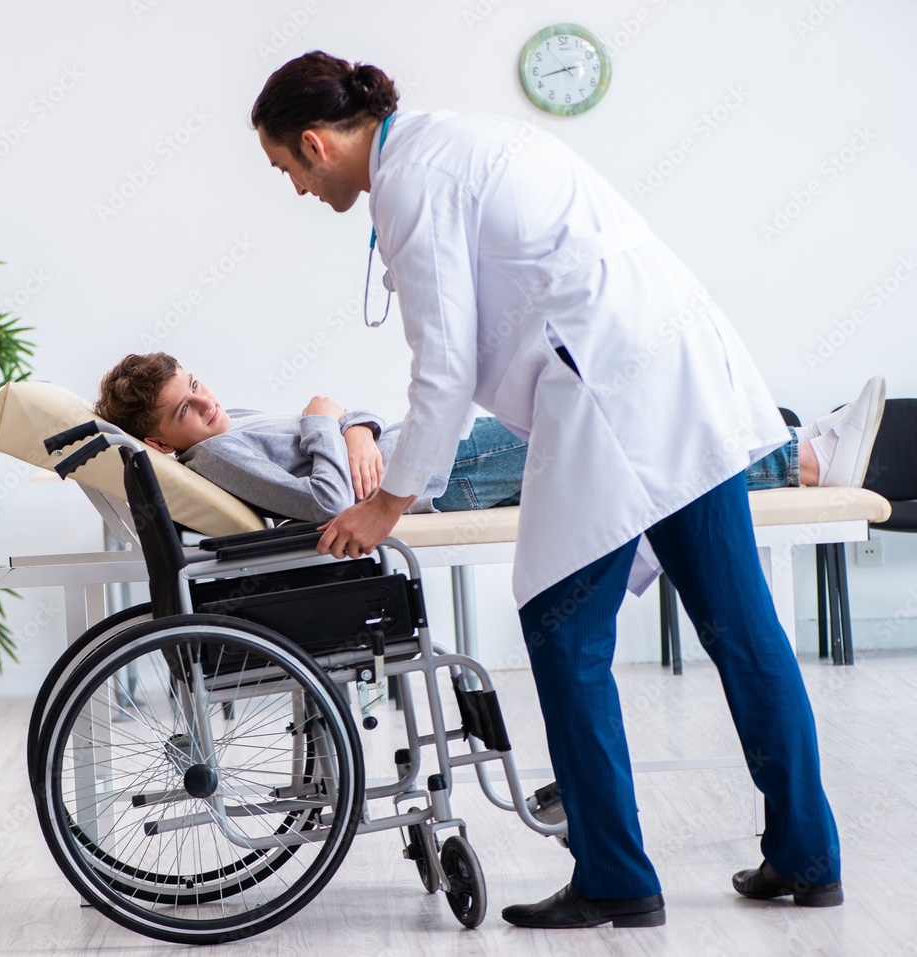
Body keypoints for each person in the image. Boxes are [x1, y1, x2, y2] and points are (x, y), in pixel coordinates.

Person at [248, 51, 866, 929]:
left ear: (314, 143)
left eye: (287, 172)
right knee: (742, 626)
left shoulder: (412, 182)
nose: (299, 192)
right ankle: (809, 858)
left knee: (563, 628)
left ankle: (616, 875)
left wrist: (389, 501)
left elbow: (446, 364)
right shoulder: (456, 142)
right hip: (680, 366)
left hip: (614, 390)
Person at [93, 352, 885, 523]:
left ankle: (798, 456)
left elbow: (336, 432)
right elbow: (327, 499)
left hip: (437, 455)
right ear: (161, 443)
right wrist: (324, 413)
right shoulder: (219, 454)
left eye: (198, 383)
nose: (208, 401)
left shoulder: (220, 434)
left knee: (625, 455)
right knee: (612, 424)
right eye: (185, 408)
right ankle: (801, 455)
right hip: (448, 474)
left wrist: (350, 418)